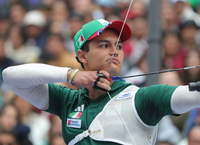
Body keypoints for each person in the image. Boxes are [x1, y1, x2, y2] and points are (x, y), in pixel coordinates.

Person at [2, 18, 200, 145]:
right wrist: (72, 75)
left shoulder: (142, 98)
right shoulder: (67, 100)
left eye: (119, 46)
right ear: (83, 55)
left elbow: (192, 95)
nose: (115, 51)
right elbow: (11, 76)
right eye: (104, 45)